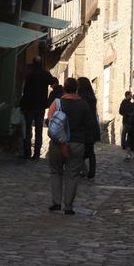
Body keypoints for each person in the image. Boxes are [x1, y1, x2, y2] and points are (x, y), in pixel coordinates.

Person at [48, 76, 96, 215]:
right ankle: (68, 206)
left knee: (56, 172)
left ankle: (56, 202)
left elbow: (49, 121)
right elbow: (90, 125)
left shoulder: (57, 103)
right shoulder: (84, 105)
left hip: (57, 143)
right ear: (76, 89)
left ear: (64, 88)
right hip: (76, 143)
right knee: (72, 175)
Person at [19, 56, 56, 160]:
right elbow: (53, 80)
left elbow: (25, 92)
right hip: (40, 107)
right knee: (39, 131)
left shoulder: (30, 75)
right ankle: (36, 154)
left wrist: (22, 105)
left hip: (29, 106)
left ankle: (27, 152)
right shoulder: (45, 74)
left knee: (27, 130)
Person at [77, 76, 101, 179]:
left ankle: (83, 170)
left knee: (80, 150)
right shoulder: (92, 97)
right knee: (90, 151)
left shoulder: (81, 97)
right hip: (92, 126)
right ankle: (91, 172)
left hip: (83, 126)